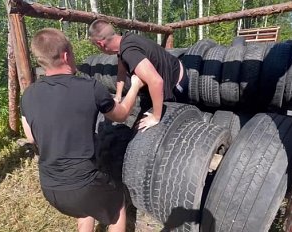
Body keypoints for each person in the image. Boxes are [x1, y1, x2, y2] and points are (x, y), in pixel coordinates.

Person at [20, 28, 144, 232]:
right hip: (83, 185)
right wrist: (135, 87)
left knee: (85, 209)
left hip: (51, 188)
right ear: (66, 55)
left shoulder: (29, 94)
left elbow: (31, 137)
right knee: (117, 207)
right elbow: (121, 115)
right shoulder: (90, 87)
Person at [88, 19, 189, 131]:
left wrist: (155, 117)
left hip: (177, 83)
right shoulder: (123, 41)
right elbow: (121, 72)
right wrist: (118, 95)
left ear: (100, 44)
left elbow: (156, 82)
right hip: (169, 71)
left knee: (171, 122)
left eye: (96, 46)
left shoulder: (129, 52)